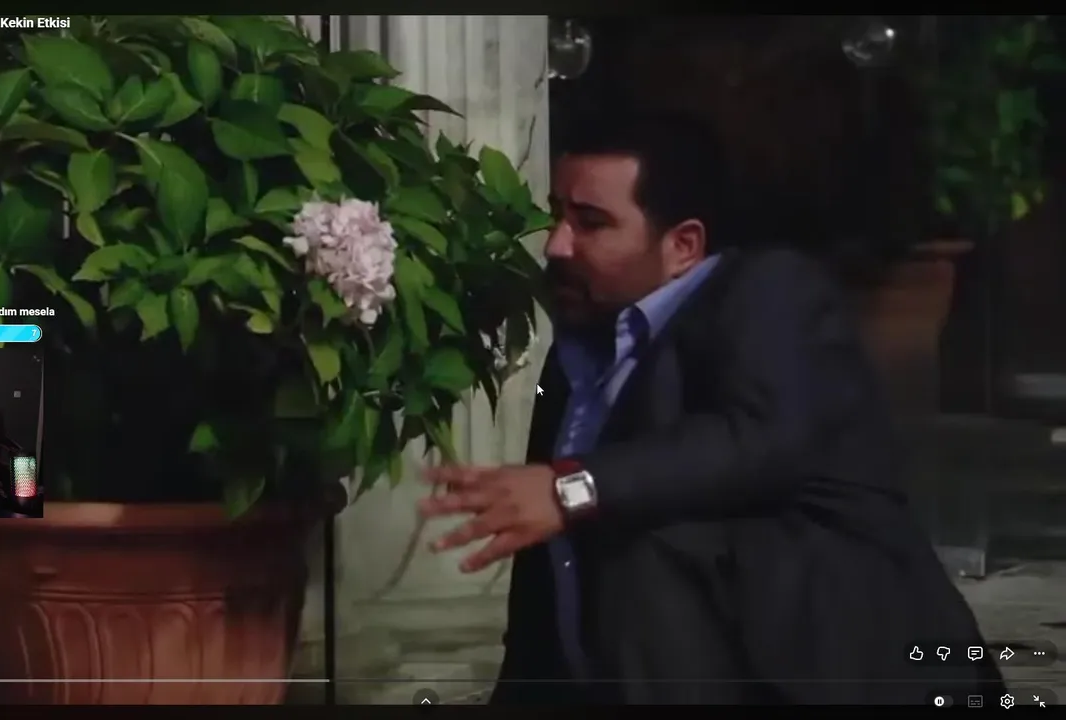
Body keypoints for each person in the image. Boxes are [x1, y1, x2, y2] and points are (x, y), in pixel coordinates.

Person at [418, 113, 1004, 704]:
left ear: (683, 245)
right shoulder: (579, 351)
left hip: (839, 677)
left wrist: (570, 490)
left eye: (591, 223)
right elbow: (550, 585)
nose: (556, 244)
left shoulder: (771, 292)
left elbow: (758, 438)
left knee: (644, 541)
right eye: (556, 216)